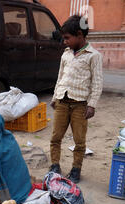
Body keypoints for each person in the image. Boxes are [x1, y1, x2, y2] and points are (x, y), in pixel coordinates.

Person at [49, 15, 103, 183]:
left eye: (67, 38)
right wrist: (54, 96)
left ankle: (76, 169)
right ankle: (55, 165)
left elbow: (97, 82)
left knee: (79, 140)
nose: (64, 41)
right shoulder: (66, 54)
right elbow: (60, 77)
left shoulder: (93, 56)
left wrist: (92, 105)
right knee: (55, 137)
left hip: (80, 105)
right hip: (62, 102)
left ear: (80, 35)